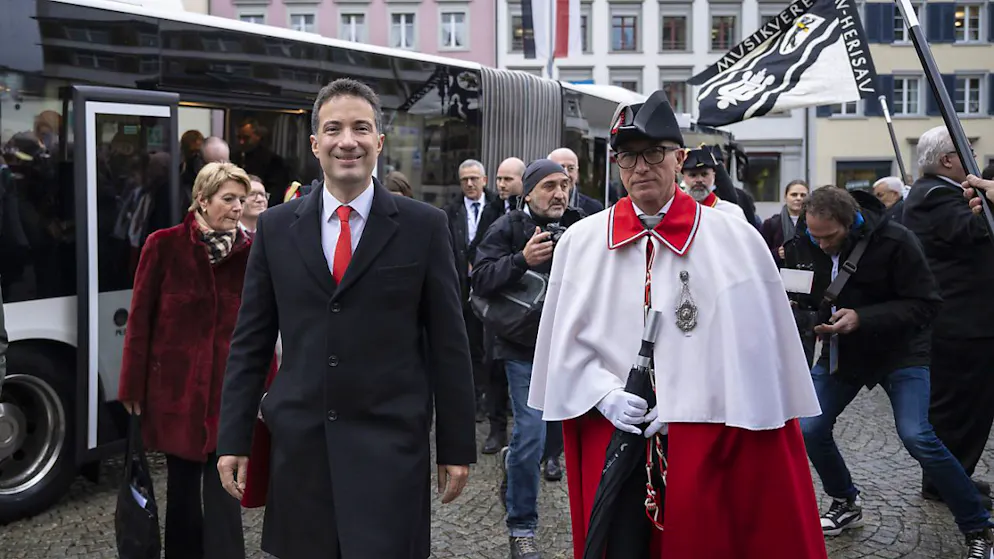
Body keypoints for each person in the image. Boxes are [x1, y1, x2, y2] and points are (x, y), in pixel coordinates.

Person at [528, 90, 827, 559]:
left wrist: (693, 398)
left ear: (679, 158)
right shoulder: (581, 242)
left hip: (710, 434)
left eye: (654, 154)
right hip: (613, 429)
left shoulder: (734, 238)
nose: (640, 167)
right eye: (628, 157)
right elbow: (563, 343)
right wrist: (602, 395)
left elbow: (756, 350)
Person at [216, 78, 476, 559]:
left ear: (379, 140)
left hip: (390, 449)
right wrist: (233, 436)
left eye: (361, 128)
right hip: (301, 452)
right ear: (316, 144)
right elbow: (250, 341)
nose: (347, 141)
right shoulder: (276, 228)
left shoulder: (424, 226)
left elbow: (449, 344)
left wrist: (457, 445)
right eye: (333, 129)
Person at [786, 186, 993, 558]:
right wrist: (811, 319)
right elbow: (802, 297)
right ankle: (846, 501)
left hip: (901, 351)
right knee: (809, 427)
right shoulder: (805, 239)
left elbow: (926, 304)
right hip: (843, 351)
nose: (821, 244)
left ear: (851, 223)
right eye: (813, 236)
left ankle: (978, 526)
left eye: (828, 237)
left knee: (917, 436)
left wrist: (862, 318)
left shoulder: (897, 239)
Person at [118, 162, 254, 559]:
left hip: (228, 394)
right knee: (180, 489)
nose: (237, 208)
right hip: (175, 391)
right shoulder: (164, 245)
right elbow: (139, 319)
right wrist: (131, 385)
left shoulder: (252, 253)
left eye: (241, 200)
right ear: (202, 199)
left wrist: (266, 390)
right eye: (228, 199)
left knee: (227, 487)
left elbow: (262, 329)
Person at [473, 159, 585, 559]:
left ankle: (515, 458)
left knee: (549, 438)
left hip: (569, 347)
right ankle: (522, 527)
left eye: (564, 185)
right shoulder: (507, 228)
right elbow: (480, 279)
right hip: (521, 349)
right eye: (549, 186)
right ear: (529, 193)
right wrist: (522, 259)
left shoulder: (581, 225)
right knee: (534, 433)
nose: (559, 193)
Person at [902, 126, 994, 510]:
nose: (972, 157)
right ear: (947, 160)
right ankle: (946, 483)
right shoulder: (935, 197)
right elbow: (979, 231)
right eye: (966, 151)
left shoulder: (939, 194)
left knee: (960, 407)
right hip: (962, 323)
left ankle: (953, 476)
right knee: (960, 408)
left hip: (964, 320)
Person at [445, 159, 500, 423]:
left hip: (489, 288)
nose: (469, 184)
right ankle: (473, 398)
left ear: (484, 180)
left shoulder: (497, 208)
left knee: (489, 347)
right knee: (467, 345)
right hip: (460, 289)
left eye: (474, 179)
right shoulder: (450, 211)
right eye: (464, 179)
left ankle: (490, 400)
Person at [680, 146, 747, 220]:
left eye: (704, 174)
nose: (699, 180)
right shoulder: (674, 211)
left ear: (714, 175)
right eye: (693, 175)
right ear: (683, 177)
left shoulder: (731, 213)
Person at [761, 179, 809, 266]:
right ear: (785, 197)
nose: (799, 198)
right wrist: (777, 254)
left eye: (803, 195)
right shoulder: (771, 224)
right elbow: (759, 254)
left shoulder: (813, 223)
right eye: (794, 195)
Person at [548, 147, 604, 216]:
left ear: (577, 172)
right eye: (560, 168)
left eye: (571, 168)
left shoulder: (594, 209)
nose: (567, 174)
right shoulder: (540, 204)